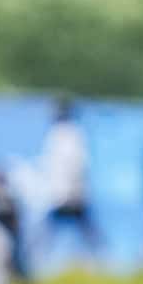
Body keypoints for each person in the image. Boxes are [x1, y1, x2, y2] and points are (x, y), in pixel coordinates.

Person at [39, 97, 99, 260]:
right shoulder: (57, 132)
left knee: (83, 227)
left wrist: (73, 190)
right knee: (75, 226)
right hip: (59, 190)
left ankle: (98, 256)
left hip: (69, 192)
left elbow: (76, 164)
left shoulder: (70, 133)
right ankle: (41, 257)